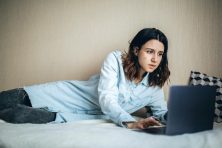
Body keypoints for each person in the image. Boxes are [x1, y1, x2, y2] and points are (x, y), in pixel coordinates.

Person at [0, 28, 170, 129]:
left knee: (13, 116)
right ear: (136, 50)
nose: (155, 59)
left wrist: (182, 116)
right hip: (60, 96)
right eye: (149, 52)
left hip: (60, 117)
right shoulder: (115, 60)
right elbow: (107, 100)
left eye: (160, 54)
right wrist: (131, 123)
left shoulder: (154, 87)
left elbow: (162, 113)